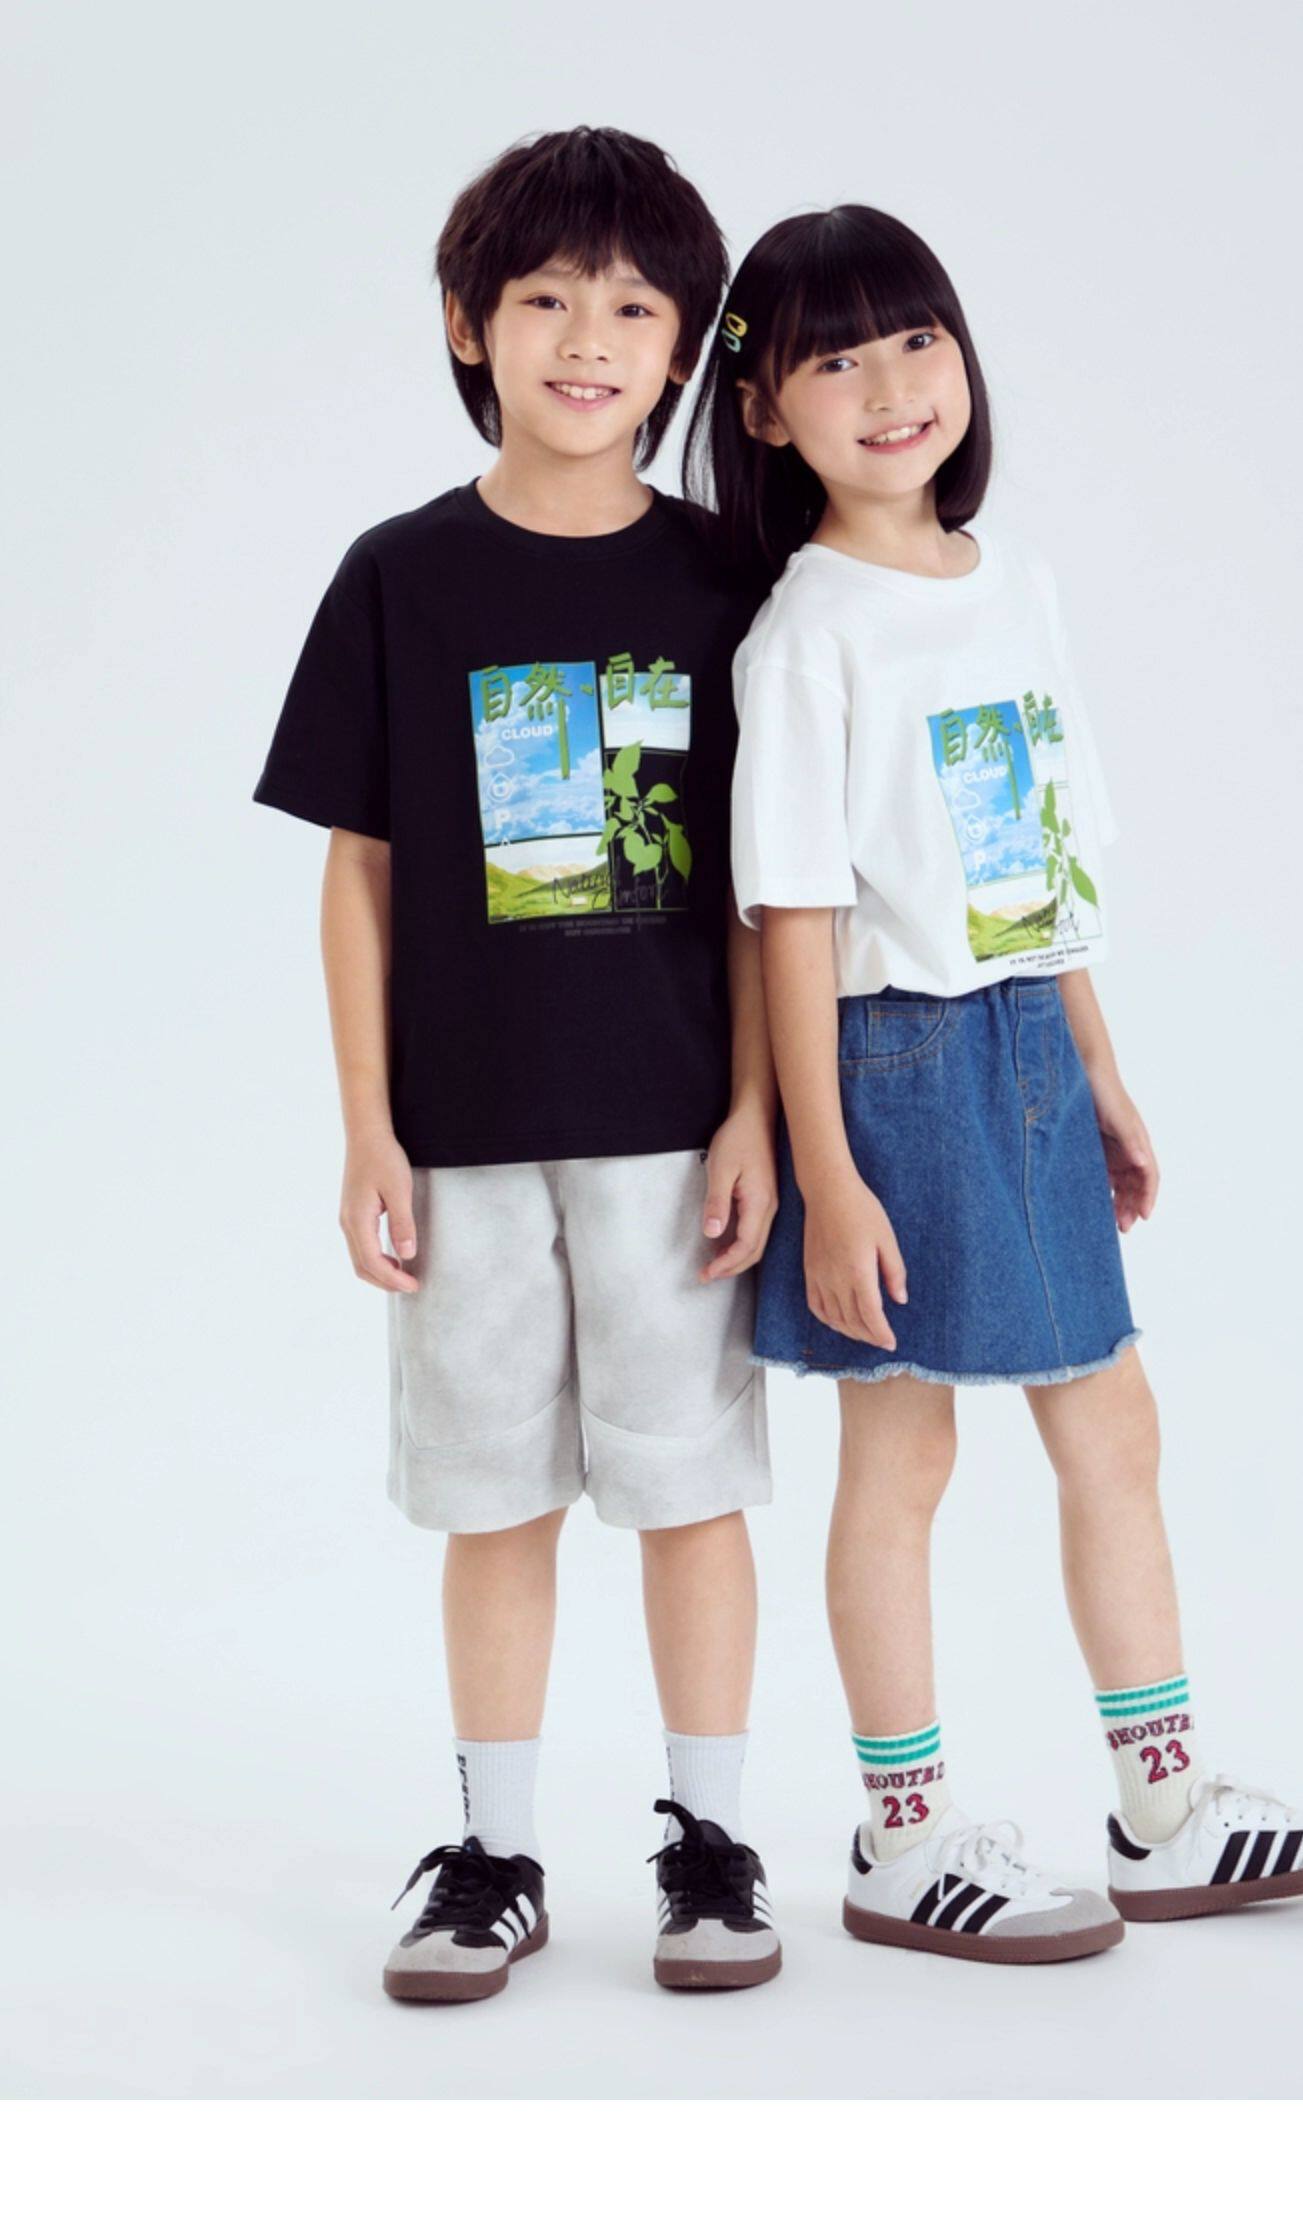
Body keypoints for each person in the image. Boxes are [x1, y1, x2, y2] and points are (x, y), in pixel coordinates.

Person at [687, 204, 1303, 1963]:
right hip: (895, 1059)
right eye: (835, 359)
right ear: (766, 411)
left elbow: (1034, 847)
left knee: (1113, 1420)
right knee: (905, 1447)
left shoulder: (1013, 583)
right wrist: (829, 1169)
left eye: (916, 338)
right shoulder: (806, 635)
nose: (890, 386)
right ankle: (903, 1836)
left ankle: (1163, 1808)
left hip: (1023, 1038)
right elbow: (789, 919)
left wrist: (1097, 1061)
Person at [255, 127, 782, 2001]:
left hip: (673, 1135)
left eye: (633, 308)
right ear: (469, 324)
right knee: (493, 1500)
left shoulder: (732, 583)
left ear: (683, 346)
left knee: (692, 1487)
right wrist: (365, 1126)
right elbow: (360, 867)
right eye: (547, 298)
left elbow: (767, 888)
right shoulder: (402, 577)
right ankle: (493, 1854)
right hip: (463, 1134)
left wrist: (754, 1109)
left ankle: (712, 1846)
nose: (587, 339)